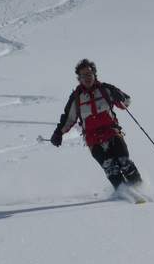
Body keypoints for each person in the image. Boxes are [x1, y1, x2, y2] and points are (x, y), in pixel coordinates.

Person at [50, 59, 142, 189]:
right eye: (83, 76)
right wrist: (58, 133)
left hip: (112, 132)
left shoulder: (106, 90)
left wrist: (119, 96)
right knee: (110, 166)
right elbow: (68, 118)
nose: (87, 78)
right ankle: (125, 192)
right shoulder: (77, 97)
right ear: (79, 78)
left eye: (89, 74)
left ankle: (140, 188)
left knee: (124, 161)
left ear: (94, 74)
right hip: (93, 139)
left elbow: (126, 102)